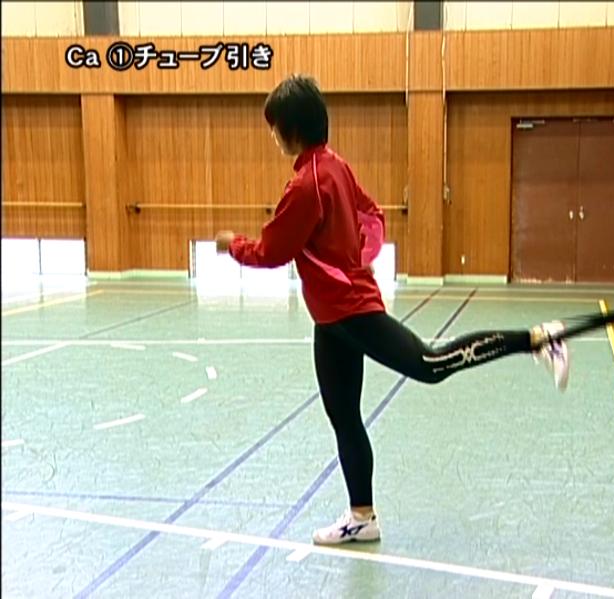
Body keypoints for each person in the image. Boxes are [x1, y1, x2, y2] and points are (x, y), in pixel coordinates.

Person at [215, 74, 570, 546]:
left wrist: (232, 245)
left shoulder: (307, 184)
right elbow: (371, 215)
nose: (273, 135)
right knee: (344, 417)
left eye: (274, 126)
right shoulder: (334, 166)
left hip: (349, 311)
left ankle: (537, 339)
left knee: (431, 364)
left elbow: (272, 250)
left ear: (290, 128)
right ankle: (362, 517)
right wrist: (356, 258)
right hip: (330, 320)